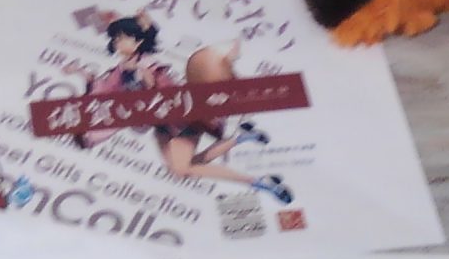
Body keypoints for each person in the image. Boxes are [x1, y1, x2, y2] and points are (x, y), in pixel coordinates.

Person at [80, 14, 292, 204]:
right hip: (161, 124)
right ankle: (240, 139)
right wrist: (88, 79)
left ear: (139, 41)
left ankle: (260, 182)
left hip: (181, 118)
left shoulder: (148, 64)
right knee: (183, 169)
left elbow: (157, 90)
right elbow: (105, 90)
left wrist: (144, 79)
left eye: (123, 37)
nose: (118, 42)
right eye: (116, 38)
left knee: (182, 168)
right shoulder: (119, 70)